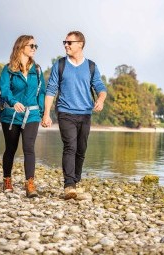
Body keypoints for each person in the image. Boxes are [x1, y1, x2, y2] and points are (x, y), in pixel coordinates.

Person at [42, 31, 107, 200]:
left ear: (80, 44)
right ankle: (69, 184)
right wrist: (46, 114)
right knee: (70, 146)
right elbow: (51, 90)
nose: (66, 45)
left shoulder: (91, 66)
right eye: (65, 42)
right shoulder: (60, 65)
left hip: (85, 114)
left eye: (69, 42)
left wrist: (100, 99)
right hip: (65, 112)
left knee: (81, 149)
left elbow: (100, 86)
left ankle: (75, 180)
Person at [0, 35, 45, 198]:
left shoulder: (37, 70)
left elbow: (42, 91)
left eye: (35, 46)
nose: (34, 48)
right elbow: (4, 90)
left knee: (29, 148)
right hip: (11, 115)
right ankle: (7, 180)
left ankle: (30, 184)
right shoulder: (8, 70)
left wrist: (41, 111)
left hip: (32, 115)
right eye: (31, 45)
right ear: (21, 47)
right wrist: (12, 102)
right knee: (10, 148)